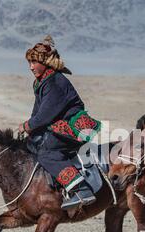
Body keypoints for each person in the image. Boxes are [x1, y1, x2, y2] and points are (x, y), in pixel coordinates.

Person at [19, 35, 101, 212]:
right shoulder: (42, 81)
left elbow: (45, 115)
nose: (31, 67)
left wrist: (28, 125)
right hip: (59, 126)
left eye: (34, 62)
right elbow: (37, 112)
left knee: (46, 151)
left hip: (74, 128)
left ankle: (81, 189)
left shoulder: (55, 81)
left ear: (45, 62)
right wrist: (29, 130)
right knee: (30, 145)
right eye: (29, 63)